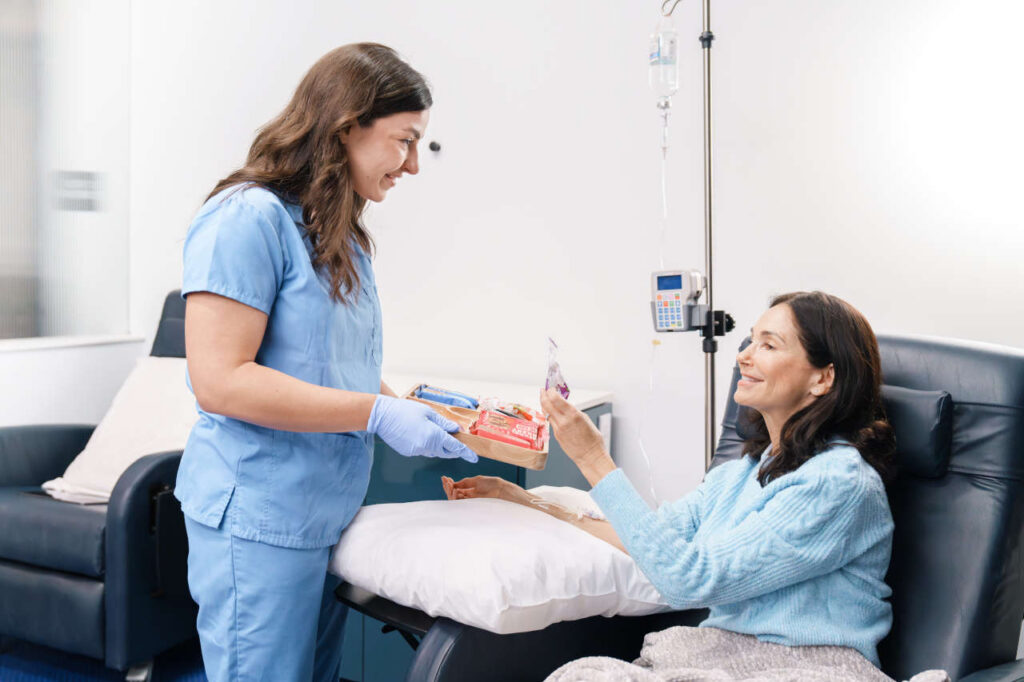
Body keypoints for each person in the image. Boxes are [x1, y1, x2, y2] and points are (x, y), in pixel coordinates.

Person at [178, 43, 477, 682]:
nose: (413, 165)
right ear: (347, 127)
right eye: (404, 140)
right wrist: (375, 413)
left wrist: (407, 405)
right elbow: (220, 381)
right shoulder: (246, 218)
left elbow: (333, 367)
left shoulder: (336, 233)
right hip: (260, 516)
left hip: (323, 514)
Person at [445, 291, 906, 680]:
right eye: (751, 339)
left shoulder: (839, 483)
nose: (744, 354)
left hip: (809, 668)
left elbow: (688, 578)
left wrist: (591, 458)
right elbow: (652, 540)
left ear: (823, 378)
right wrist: (523, 499)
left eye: (769, 345)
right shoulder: (740, 474)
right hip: (726, 658)